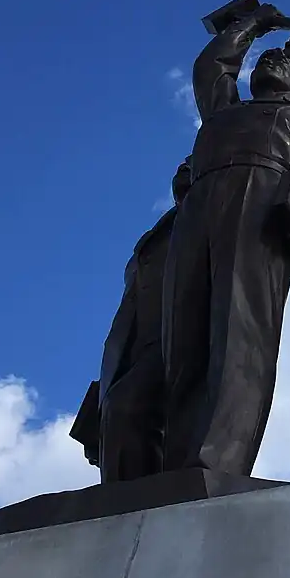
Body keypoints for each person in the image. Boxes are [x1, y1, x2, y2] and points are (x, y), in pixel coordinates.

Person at [161, 3, 290, 479]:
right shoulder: (223, 112)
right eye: (266, 59)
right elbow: (211, 66)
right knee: (183, 341)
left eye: (287, 63)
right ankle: (171, 468)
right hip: (197, 212)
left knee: (241, 335)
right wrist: (253, 24)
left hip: (262, 209)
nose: (273, 61)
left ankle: (217, 462)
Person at [70, 159, 191, 481]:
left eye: (194, 164)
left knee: (132, 409)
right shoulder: (159, 229)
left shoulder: (214, 213)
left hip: (178, 335)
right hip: (129, 346)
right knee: (121, 424)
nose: (184, 169)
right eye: (182, 164)